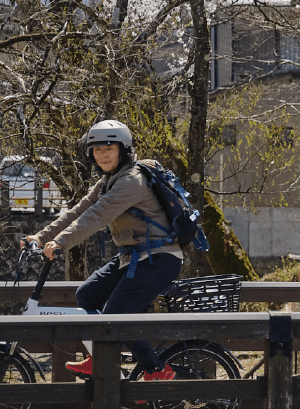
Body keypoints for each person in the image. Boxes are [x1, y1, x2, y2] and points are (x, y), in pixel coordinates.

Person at [23, 119, 182, 380]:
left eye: (109, 148)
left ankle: (156, 370)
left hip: (159, 258)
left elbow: (95, 217)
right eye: (97, 150)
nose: (103, 155)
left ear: (124, 150)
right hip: (132, 257)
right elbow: (78, 211)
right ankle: (98, 359)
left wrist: (61, 242)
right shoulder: (108, 181)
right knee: (87, 295)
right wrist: (41, 237)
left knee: (117, 314)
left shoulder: (131, 181)